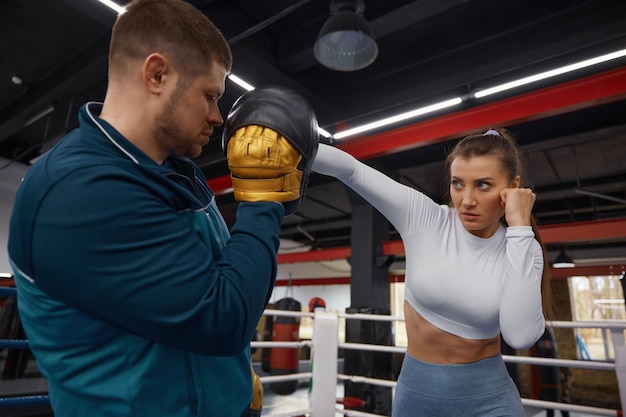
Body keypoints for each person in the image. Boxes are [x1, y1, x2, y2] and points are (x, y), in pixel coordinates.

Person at [7, 0, 318, 416]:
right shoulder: (80, 190)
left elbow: (216, 286)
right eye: (210, 96)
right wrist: (263, 198)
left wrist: (231, 379)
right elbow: (222, 317)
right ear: (157, 74)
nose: (217, 116)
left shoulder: (179, 175)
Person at [312, 128, 552, 416]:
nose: (467, 200)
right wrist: (292, 144)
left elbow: (520, 335)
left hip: (489, 399)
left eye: (483, 185)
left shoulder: (521, 246)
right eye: (458, 184)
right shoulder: (426, 219)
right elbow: (351, 171)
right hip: (417, 393)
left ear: (513, 187)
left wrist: (520, 228)